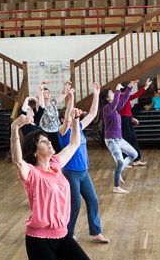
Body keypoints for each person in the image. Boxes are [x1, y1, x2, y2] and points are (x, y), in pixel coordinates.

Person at [11, 109, 97, 260]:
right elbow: (18, 160)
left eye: (49, 141)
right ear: (34, 150)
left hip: (61, 235)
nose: (49, 143)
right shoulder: (32, 173)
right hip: (39, 239)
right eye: (43, 142)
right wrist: (14, 130)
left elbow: (74, 142)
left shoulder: (57, 165)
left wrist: (76, 119)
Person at [59, 82, 109, 243]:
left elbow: (93, 113)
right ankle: (68, 233)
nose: (74, 116)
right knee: (75, 204)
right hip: (70, 172)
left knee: (93, 199)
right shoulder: (63, 132)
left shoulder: (79, 126)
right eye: (70, 115)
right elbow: (68, 118)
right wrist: (71, 98)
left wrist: (95, 94)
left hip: (83, 172)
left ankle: (95, 231)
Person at [100, 82, 138, 194]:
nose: (113, 93)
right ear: (107, 98)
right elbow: (116, 102)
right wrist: (117, 90)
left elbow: (124, 99)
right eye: (110, 92)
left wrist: (129, 88)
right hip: (111, 140)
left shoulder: (115, 107)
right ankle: (116, 186)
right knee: (120, 161)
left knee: (134, 154)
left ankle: (118, 171)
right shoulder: (107, 108)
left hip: (118, 138)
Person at [120, 78, 151, 167]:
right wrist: (145, 87)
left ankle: (136, 160)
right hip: (123, 121)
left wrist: (132, 118)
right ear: (127, 88)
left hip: (128, 119)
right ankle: (125, 162)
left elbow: (127, 110)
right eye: (131, 87)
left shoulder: (125, 96)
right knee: (126, 141)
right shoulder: (120, 97)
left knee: (133, 139)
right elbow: (121, 112)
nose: (131, 89)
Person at [37, 81, 70, 153]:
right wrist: (41, 85)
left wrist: (65, 85)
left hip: (57, 130)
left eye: (48, 92)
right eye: (45, 92)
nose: (48, 93)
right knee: (48, 151)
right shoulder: (40, 105)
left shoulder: (53, 103)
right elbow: (40, 94)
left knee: (59, 150)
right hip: (46, 132)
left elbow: (64, 94)